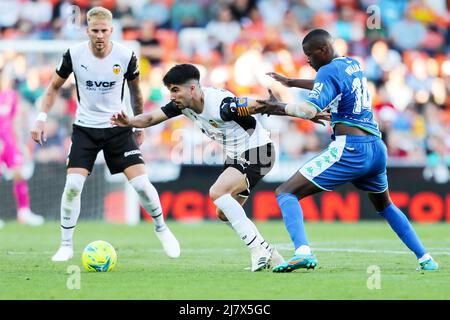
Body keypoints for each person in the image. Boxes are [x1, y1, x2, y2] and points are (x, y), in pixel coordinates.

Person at [254, 29, 438, 272]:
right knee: (385, 206)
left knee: (285, 192)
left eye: (310, 55)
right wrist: (292, 82)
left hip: (351, 148)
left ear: (323, 50)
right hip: (376, 148)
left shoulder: (327, 71)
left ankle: (303, 252)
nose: (308, 60)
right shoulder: (352, 64)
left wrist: (279, 107)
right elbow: (331, 84)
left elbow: (309, 110)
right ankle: (425, 258)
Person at [110, 64, 323, 271]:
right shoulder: (182, 106)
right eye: (170, 91)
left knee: (217, 192)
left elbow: (259, 104)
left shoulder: (222, 105)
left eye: (175, 90)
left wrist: (303, 112)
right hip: (238, 156)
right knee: (223, 212)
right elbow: (148, 118)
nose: (172, 96)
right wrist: (129, 121)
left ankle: (259, 249)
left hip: (259, 152)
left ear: (192, 88)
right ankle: (270, 254)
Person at [30, 6, 180, 261]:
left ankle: (162, 229)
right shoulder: (73, 54)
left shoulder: (125, 55)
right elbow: (53, 87)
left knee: (142, 185)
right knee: (73, 186)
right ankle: (66, 245)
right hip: (85, 129)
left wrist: (137, 123)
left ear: (111, 30)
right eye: (95, 30)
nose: (99, 35)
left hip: (117, 128)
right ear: (87, 30)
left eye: (104, 31)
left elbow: (135, 92)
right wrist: (41, 118)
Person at [0, 71, 44, 227]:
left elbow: (15, 120)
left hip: (9, 142)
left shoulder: (11, 95)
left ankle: (24, 212)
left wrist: (19, 144)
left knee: (19, 173)